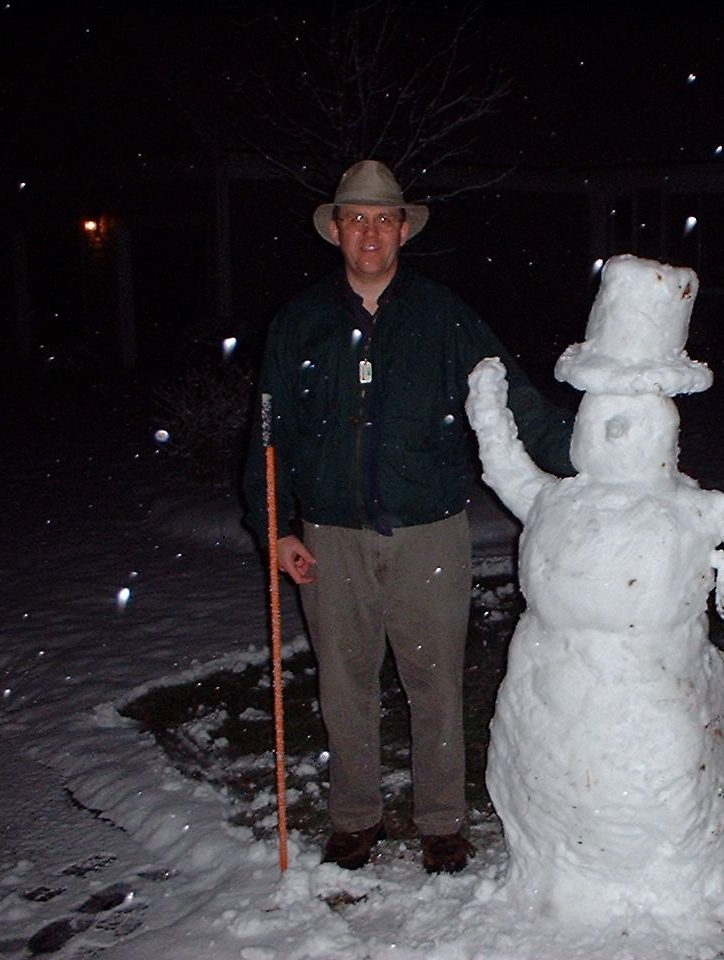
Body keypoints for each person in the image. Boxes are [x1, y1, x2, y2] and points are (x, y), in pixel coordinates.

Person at [244, 159, 574, 873]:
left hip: (430, 532)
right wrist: (274, 529)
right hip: (331, 540)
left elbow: (512, 395)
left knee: (435, 685)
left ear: (403, 231)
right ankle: (356, 818)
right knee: (345, 684)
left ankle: (442, 822)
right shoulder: (299, 323)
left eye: (383, 219)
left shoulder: (443, 315)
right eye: (356, 218)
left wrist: (588, 454)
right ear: (336, 230)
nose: (370, 231)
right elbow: (268, 437)